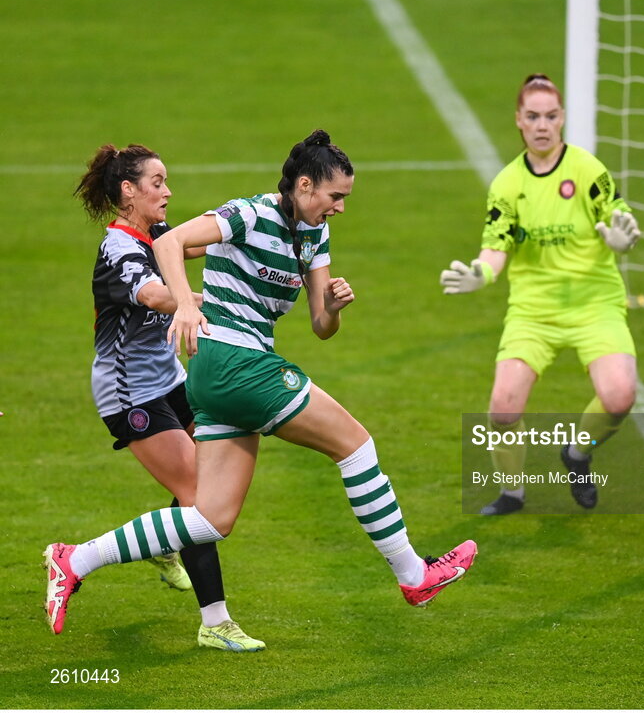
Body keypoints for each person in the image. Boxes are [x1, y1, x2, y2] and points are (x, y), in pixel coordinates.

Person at [45, 130, 477, 642]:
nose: (340, 207)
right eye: (334, 196)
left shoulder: (314, 235)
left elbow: (320, 325)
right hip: (236, 364)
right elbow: (169, 241)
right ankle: (413, 575)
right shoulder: (249, 213)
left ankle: (75, 559)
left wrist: (334, 309)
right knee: (356, 448)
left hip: (215, 374)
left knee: (209, 518)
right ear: (305, 184)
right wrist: (185, 303)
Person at [70, 143, 263, 652]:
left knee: (199, 487)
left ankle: (166, 542)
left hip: (170, 378)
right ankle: (215, 622)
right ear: (128, 191)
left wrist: (253, 219)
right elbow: (156, 295)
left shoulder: (153, 232)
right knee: (202, 497)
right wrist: (207, 302)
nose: (168, 190)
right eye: (158, 182)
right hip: (128, 391)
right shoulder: (117, 248)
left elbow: (195, 241)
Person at [440, 74, 642, 515]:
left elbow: (617, 215)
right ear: (519, 120)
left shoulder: (587, 169)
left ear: (562, 118)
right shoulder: (507, 185)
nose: (543, 125)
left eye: (551, 116)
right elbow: (495, 250)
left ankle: (577, 453)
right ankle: (512, 494)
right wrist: (479, 274)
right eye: (533, 116)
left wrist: (623, 238)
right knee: (502, 410)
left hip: (595, 304)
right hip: (534, 311)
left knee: (620, 396)